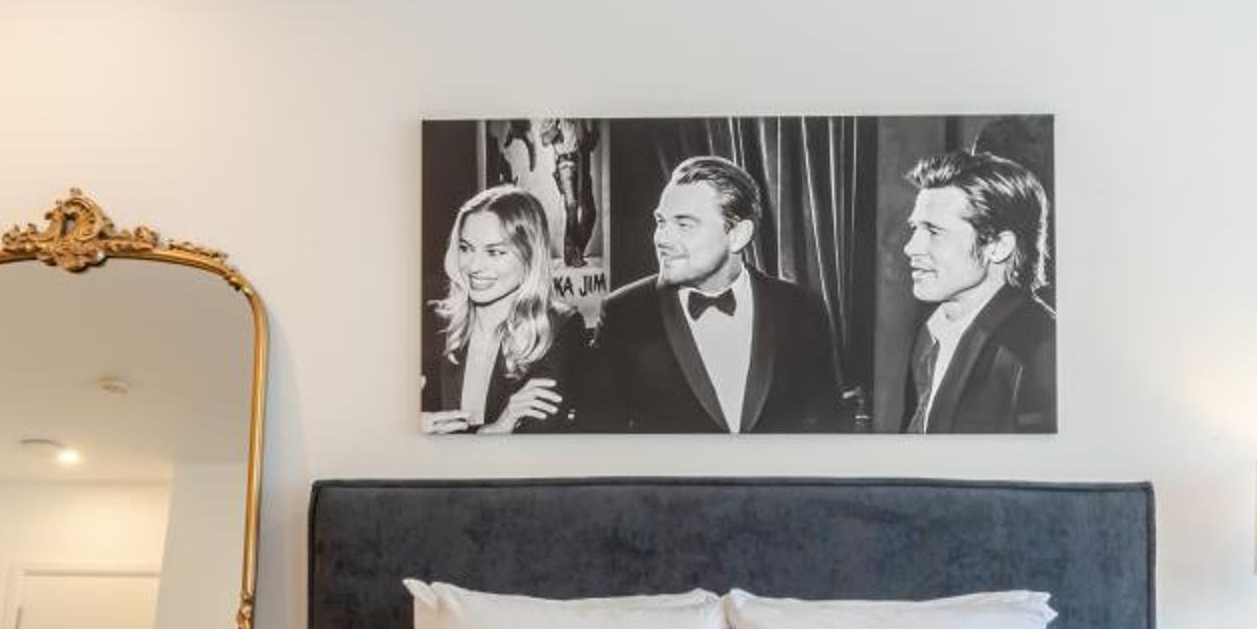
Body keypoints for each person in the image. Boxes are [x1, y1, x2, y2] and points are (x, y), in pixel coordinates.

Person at [585, 154, 844, 432]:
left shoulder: (802, 310)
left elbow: (827, 426)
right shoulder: (623, 313)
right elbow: (598, 432)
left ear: (738, 235)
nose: (661, 239)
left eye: (684, 224)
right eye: (661, 222)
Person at [898, 149, 1055, 433]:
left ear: (997, 246)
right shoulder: (929, 335)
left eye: (933, 231)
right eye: (915, 229)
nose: (911, 248)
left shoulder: (1041, 349)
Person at [420, 185, 581, 433]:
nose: (474, 266)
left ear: (529, 256)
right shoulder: (432, 322)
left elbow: (537, 438)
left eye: (494, 252)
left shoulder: (558, 328)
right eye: (466, 248)